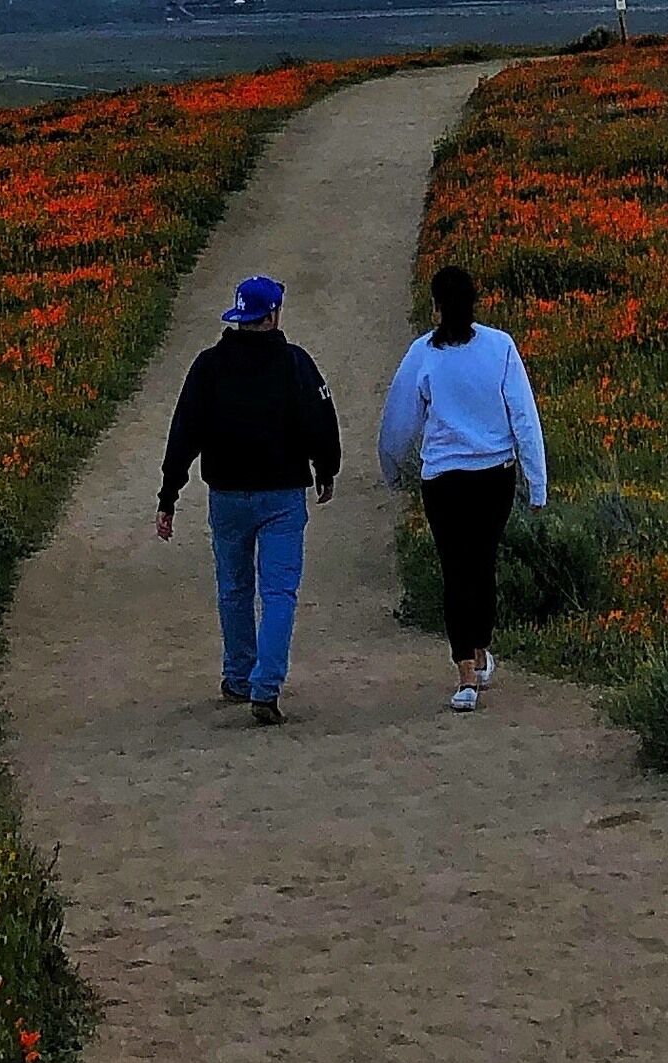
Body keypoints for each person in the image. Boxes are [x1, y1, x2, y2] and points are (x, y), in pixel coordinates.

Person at [155, 271, 341, 725]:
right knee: (279, 593)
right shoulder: (297, 364)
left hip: (228, 496)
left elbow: (184, 433)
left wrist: (169, 494)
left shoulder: (208, 367)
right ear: (273, 314)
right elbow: (322, 419)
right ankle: (266, 685)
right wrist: (326, 469)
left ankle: (239, 674)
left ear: (239, 316)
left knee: (234, 589)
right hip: (281, 496)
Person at [377, 265, 547, 710]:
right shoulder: (500, 347)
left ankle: (466, 675)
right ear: (475, 302)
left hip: (444, 480)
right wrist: (537, 484)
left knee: (455, 569)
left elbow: (398, 421)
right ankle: (479, 649)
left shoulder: (424, 354)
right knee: (481, 563)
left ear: (435, 306)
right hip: (495, 476)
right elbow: (524, 419)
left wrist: (392, 470)